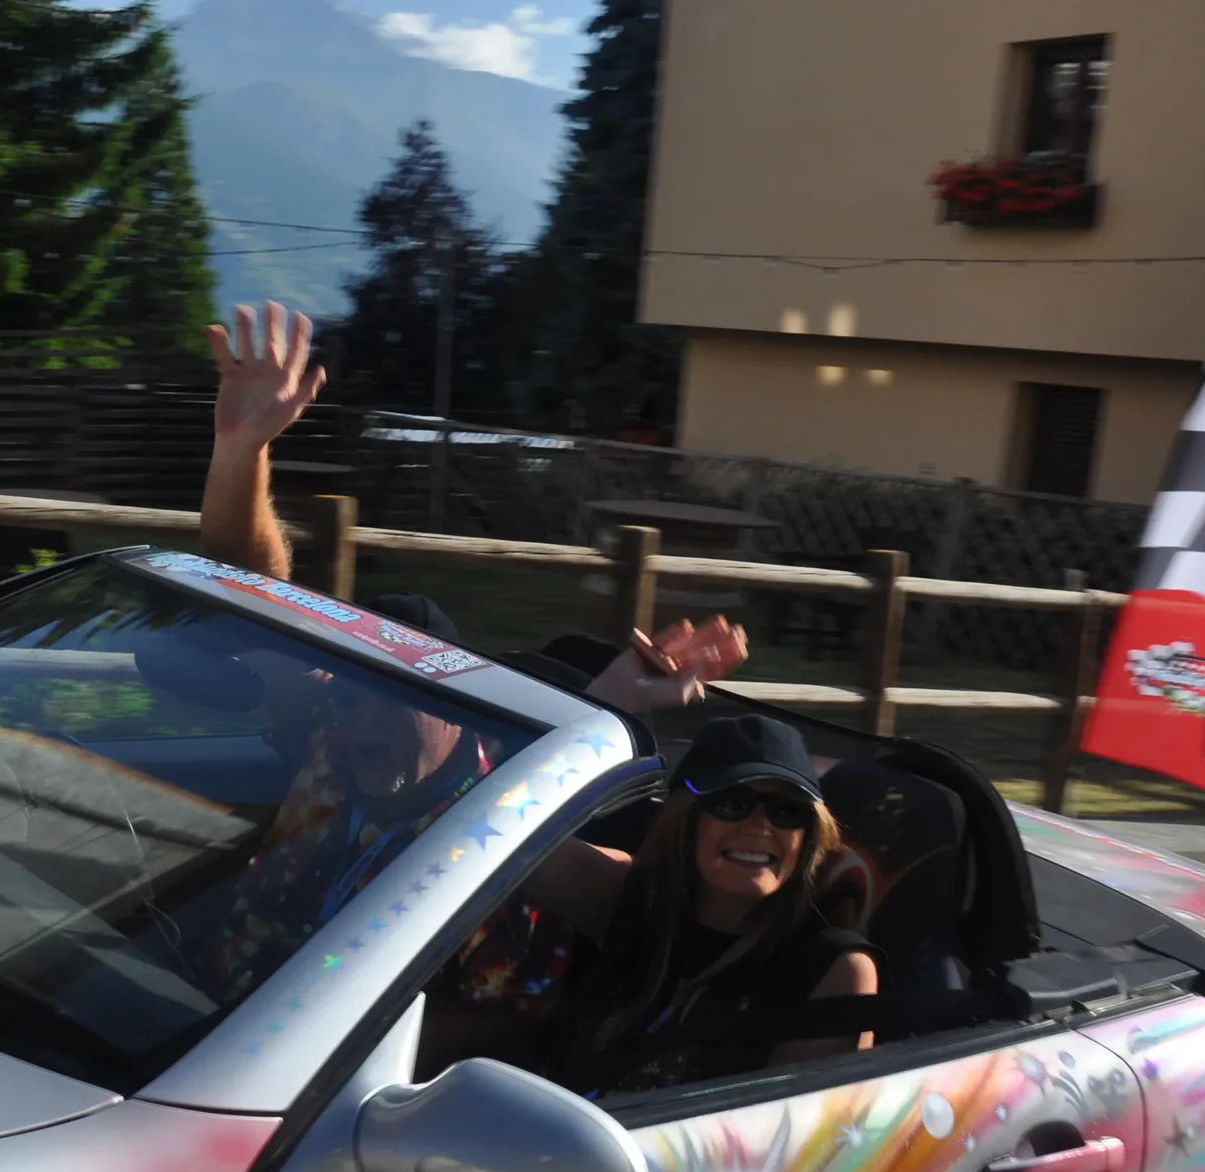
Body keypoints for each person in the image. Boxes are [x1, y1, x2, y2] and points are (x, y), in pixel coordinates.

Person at [195, 301, 750, 1025]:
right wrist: (242, 450)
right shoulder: (325, 729)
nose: (369, 711)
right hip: (200, 1023)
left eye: (401, 697)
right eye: (361, 692)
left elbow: (643, 903)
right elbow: (254, 597)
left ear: (458, 719)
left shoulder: (508, 816)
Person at [525, 713, 880, 1095]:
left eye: (786, 810)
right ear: (685, 819)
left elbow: (794, 1138)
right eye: (733, 802)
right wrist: (618, 694)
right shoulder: (630, 895)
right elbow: (502, 833)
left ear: (808, 835)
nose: (760, 826)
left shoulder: (832, 970)